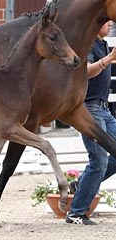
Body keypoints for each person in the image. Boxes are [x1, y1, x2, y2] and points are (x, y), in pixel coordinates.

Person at [66, 20, 116, 225]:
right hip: (89, 110)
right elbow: (85, 72)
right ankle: (75, 213)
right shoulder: (88, 45)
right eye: (106, 21)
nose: (111, 23)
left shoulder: (103, 44)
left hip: (104, 110)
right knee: (99, 160)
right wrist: (108, 59)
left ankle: (81, 185)